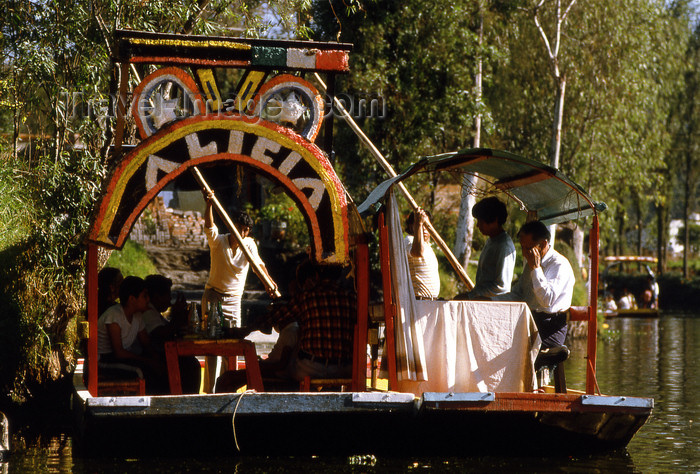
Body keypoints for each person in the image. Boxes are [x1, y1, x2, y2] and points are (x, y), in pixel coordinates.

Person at [201, 190, 278, 392]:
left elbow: (258, 266)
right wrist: (209, 204)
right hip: (213, 296)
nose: (242, 234)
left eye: (246, 230)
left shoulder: (249, 244)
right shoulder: (219, 241)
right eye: (240, 229)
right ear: (233, 226)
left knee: (233, 345)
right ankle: (209, 392)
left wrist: (270, 283)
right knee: (212, 346)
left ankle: (226, 390)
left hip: (234, 301)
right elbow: (209, 227)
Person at [231, 263, 356, 382]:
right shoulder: (352, 298)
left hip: (312, 368)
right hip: (344, 368)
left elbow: (273, 318)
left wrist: (246, 329)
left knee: (284, 369)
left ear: (317, 276)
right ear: (339, 274)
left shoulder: (307, 297)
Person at [493, 221, 575, 349]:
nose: (524, 253)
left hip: (551, 328)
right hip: (530, 322)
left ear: (542, 244)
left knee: (515, 349)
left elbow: (547, 300)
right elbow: (518, 294)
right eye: (522, 247)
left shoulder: (559, 265)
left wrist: (536, 269)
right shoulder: (530, 263)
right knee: (495, 339)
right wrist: (490, 301)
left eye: (528, 248)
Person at [97, 276, 167, 394]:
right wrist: (148, 361)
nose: (148, 300)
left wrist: (156, 359)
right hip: (104, 361)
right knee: (140, 371)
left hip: (120, 359)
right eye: (144, 296)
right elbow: (118, 353)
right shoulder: (114, 316)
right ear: (132, 299)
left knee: (161, 366)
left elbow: (147, 344)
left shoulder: (137, 317)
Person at [140, 274, 201, 394]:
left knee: (190, 362)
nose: (169, 301)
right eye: (168, 296)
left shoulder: (154, 313)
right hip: (150, 358)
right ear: (157, 297)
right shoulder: (148, 313)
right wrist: (177, 315)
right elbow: (162, 333)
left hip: (157, 356)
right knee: (191, 365)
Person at [461, 197, 516, 299]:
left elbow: (501, 287)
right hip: (482, 301)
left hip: (494, 305)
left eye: (481, 222)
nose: (478, 225)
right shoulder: (491, 240)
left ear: (494, 220)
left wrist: (471, 296)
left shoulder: (504, 246)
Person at [404, 208, 440, 300]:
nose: (424, 228)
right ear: (411, 226)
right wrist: (418, 224)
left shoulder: (428, 246)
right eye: (421, 224)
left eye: (426, 225)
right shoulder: (409, 240)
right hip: (419, 300)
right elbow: (417, 252)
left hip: (431, 301)